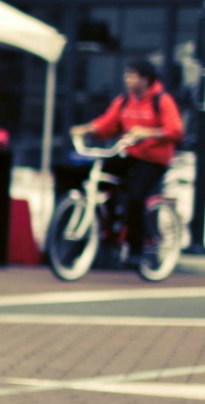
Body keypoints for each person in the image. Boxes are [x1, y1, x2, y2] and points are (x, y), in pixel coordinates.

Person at [72, 59, 184, 265]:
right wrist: (87, 129)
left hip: (154, 160)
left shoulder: (162, 100)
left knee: (136, 197)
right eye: (126, 75)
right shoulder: (124, 101)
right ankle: (110, 228)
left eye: (132, 75)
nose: (127, 80)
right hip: (129, 155)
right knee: (97, 177)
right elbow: (107, 123)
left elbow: (175, 130)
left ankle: (136, 249)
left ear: (145, 79)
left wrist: (147, 133)